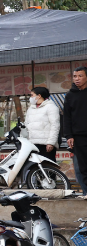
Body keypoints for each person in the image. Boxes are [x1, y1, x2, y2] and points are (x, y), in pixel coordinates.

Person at [63, 67, 87, 195]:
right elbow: (66, 117)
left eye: (80, 76)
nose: (77, 79)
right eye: (75, 76)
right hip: (78, 137)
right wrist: (68, 135)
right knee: (82, 168)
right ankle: (86, 193)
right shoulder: (70, 95)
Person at [23, 87, 60, 162]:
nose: (31, 97)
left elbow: (55, 126)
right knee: (34, 169)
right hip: (32, 144)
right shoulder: (31, 109)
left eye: (32, 95)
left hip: (46, 145)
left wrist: (51, 142)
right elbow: (26, 124)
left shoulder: (51, 107)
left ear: (39, 96)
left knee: (47, 168)